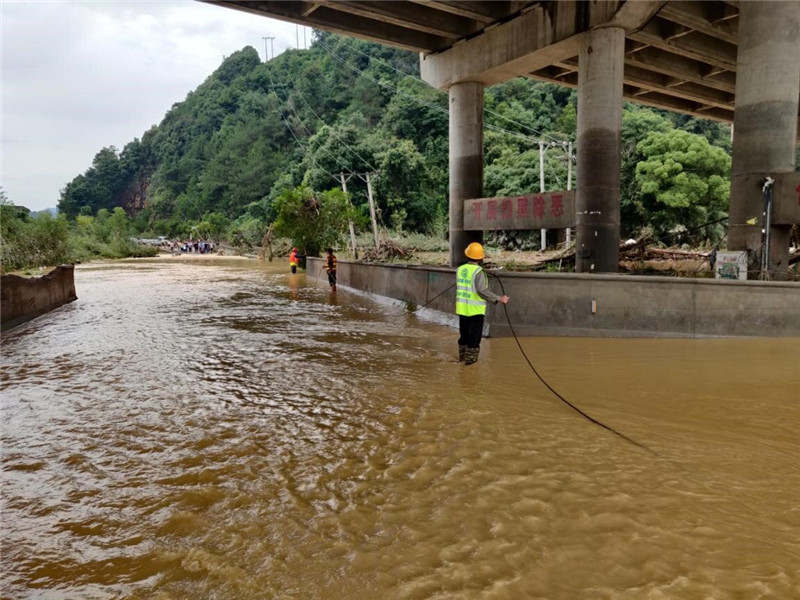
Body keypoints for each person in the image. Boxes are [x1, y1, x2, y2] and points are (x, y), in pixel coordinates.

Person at [455, 242, 509, 365]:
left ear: (467, 254)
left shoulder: (460, 269)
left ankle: (461, 360)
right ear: (480, 257)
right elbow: (481, 290)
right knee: (474, 339)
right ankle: (470, 365)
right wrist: (499, 298)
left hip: (462, 309)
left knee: (464, 336)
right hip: (475, 311)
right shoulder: (478, 272)